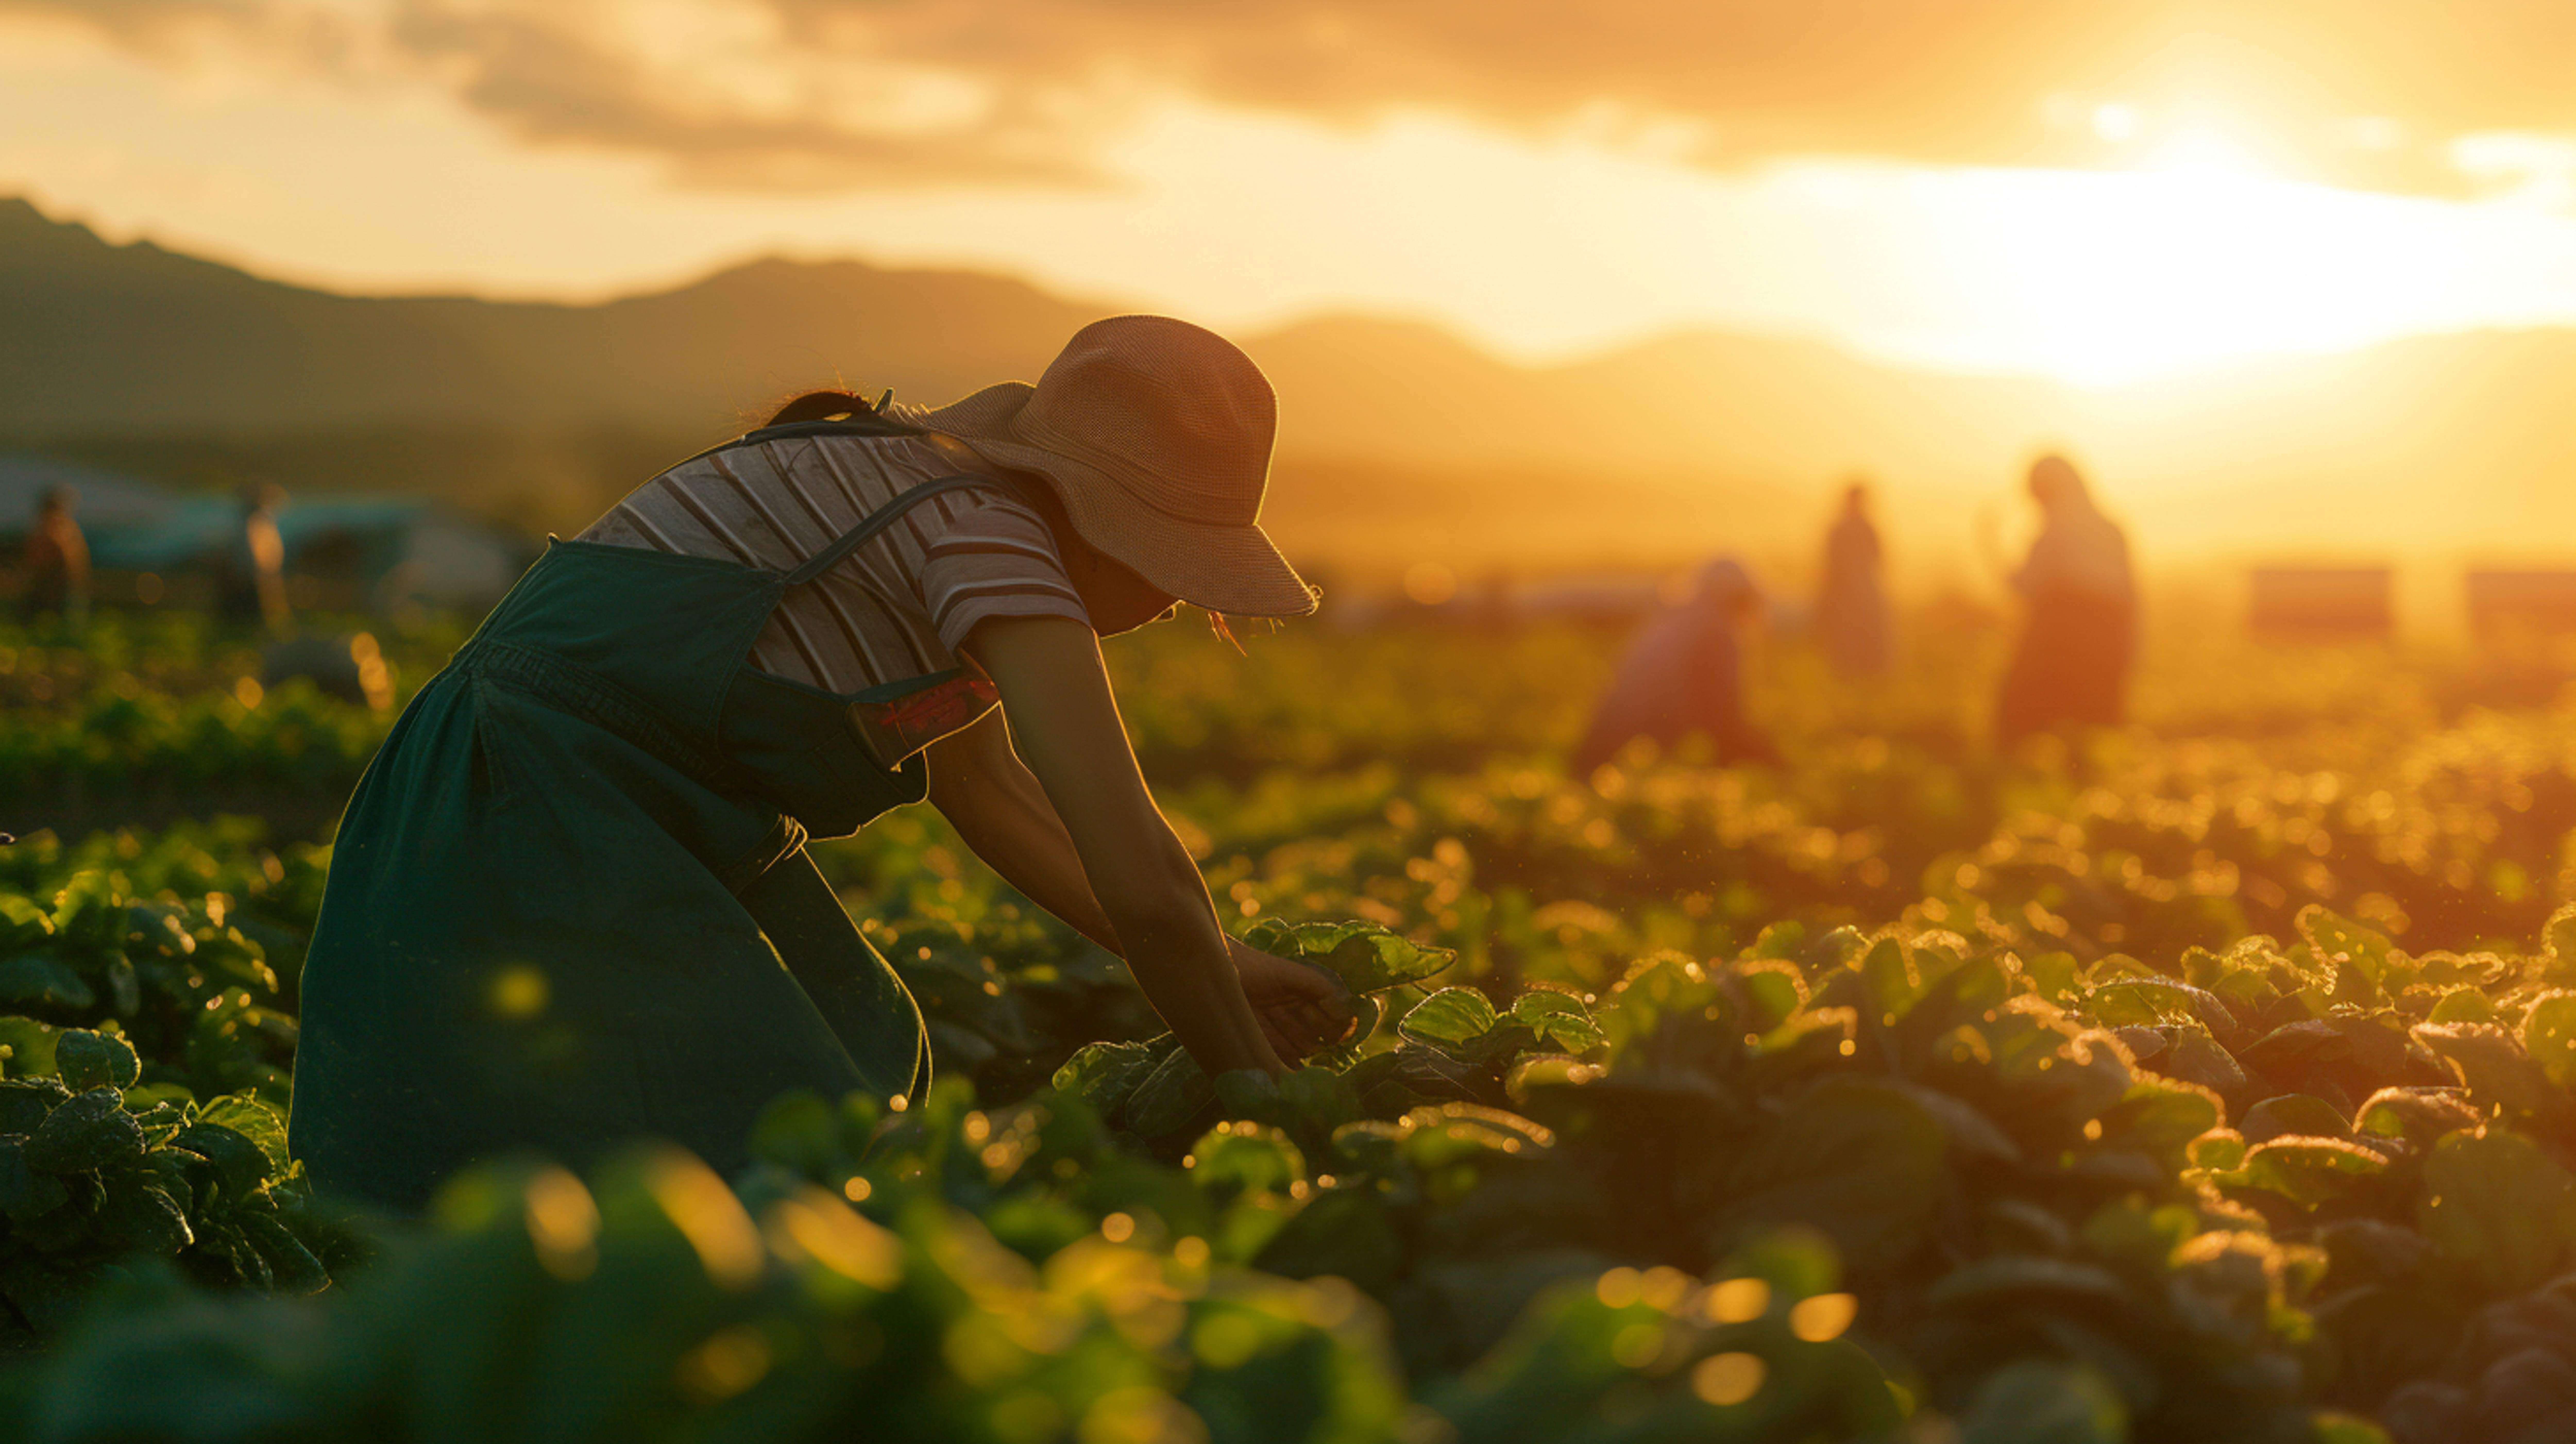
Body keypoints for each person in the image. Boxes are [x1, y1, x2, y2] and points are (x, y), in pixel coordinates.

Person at [288, 316, 1356, 1209]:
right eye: (1173, 569)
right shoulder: (984, 535)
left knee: (852, 1056)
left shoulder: (939, 496)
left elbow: (992, 795)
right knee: (744, 1158)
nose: (1173, 604)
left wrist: (1229, 964)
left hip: (613, 801)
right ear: (1098, 523)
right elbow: (1140, 870)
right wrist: (1263, 1096)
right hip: (538, 798)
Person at [1569, 557, 1779, 778]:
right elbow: (1725, 717)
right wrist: (1770, 761)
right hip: (1637, 756)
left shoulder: (1676, 618)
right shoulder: (1716, 632)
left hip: (1604, 748)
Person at [1995, 453, 2135, 744]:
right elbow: (2131, 597)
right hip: (2107, 646)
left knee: (2027, 724)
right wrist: (2132, 647)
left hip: (2056, 650)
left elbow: (2025, 587)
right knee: (2094, 731)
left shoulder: (2054, 533)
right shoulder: (2110, 530)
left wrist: (1990, 545)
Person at [1815, 480, 1889, 675]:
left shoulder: (1862, 528)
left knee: (1863, 636)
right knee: (1849, 637)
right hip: (1847, 591)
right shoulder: (1846, 529)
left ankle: (1864, 674)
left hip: (1861, 591)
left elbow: (1879, 558)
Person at [217, 483, 291, 632]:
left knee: (259, 615)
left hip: (259, 575)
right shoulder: (255, 522)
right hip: (256, 576)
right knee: (258, 615)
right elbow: (254, 554)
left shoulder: (258, 521)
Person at [18, 486, 89, 624]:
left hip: (57, 591)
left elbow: (73, 565)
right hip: (46, 590)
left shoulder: (63, 532)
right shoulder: (48, 531)